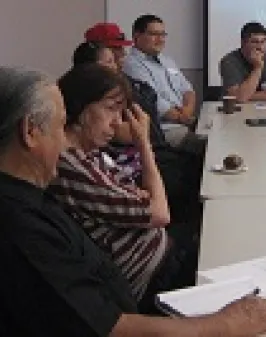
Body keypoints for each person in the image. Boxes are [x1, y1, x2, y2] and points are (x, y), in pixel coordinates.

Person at [0, 67, 266, 336]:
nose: (65, 141)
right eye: (59, 128)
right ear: (30, 132)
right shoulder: (6, 227)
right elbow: (111, 328)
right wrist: (224, 324)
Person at [50, 65, 192, 312]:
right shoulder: (70, 164)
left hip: (160, 257)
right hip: (151, 281)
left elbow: (145, 197)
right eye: (110, 109)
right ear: (80, 106)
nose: (117, 123)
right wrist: (143, 143)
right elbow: (160, 213)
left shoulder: (90, 153)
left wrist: (145, 200)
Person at [123, 15, 198, 148]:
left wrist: (187, 111)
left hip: (185, 121)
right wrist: (181, 118)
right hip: (164, 129)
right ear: (137, 36)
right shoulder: (132, 65)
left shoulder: (167, 60)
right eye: (154, 34)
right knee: (208, 145)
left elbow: (187, 89)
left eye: (163, 34)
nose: (161, 39)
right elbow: (152, 100)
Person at [219, 21, 266, 102]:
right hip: (237, 111)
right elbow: (239, 98)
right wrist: (258, 67)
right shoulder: (229, 61)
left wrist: (247, 95)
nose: (260, 47)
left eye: (263, 42)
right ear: (243, 43)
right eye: (255, 42)